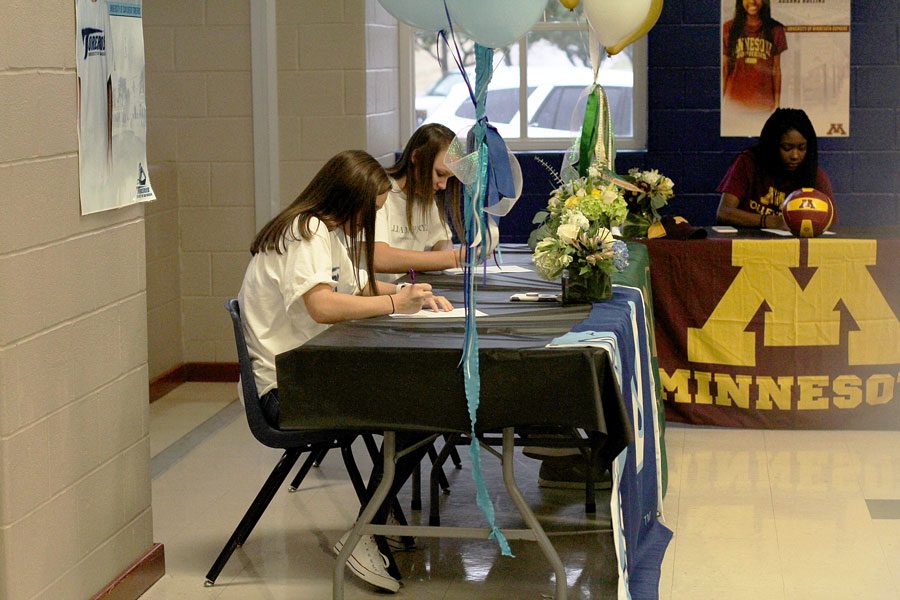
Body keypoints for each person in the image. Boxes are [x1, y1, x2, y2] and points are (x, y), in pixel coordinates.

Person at [237, 150, 451, 593]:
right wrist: (395, 304)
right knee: (421, 407)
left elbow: (357, 284)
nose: (367, 222)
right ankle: (365, 532)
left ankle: (375, 514)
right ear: (345, 199)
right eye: (368, 212)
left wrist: (411, 292)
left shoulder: (326, 229)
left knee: (418, 401)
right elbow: (322, 305)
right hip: (283, 395)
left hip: (304, 377)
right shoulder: (307, 231)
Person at [373, 123, 467, 281]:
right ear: (416, 157)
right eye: (440, 174)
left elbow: (442, 240)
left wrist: (445, 253)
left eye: (448, 178)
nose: (443, 185)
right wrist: (453, 258)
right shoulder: (381, 193)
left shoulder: (426, 199)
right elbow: (379, 258)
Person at [716, 108, 833, 229]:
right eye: (787, 148)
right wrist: (769, 221)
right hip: (748, 243)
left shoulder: (815, 174)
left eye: (802, 148)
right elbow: (724, 212)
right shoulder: (749, 162)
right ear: (772, 146)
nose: (795, 155)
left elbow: (830, 222)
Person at [76, 0, 114, 205]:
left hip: (101, 138)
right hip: (85, 139)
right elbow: (78, 80)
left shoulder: (103, 10)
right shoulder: (79, 9)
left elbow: (109, 83)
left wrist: (109, 146)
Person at [722, 0, 787, 114]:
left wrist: (777, 104)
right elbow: (724, 67)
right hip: (734, 104)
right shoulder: (728, 27)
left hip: (763, 106)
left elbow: (776, 69)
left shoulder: (776, 29)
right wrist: (721, 101)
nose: (752, 1)